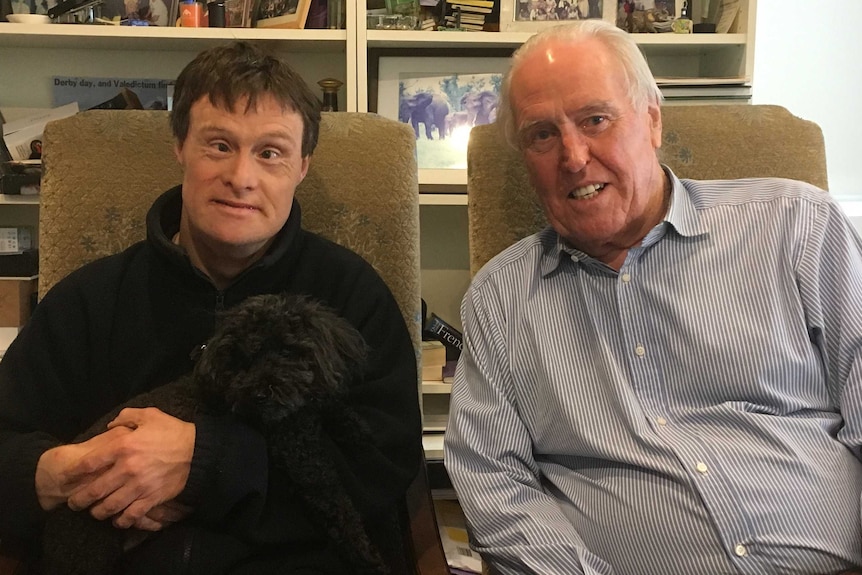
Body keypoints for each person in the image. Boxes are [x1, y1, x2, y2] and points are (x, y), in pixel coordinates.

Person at [444, 19, 862, 575]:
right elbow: (495, 486)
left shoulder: (797, 227)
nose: (572, 156)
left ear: (652, 119)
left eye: (595, 119)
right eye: (542, 134)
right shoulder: (500, 300)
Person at [0, 41, 422, 573]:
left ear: (302, 167)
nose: (242, 177)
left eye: (270, 152)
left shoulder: (351, 295)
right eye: (219, 145)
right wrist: (53, 473)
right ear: (179, 146)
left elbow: (383, 464)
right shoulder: (90, 299)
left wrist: (207, 464)